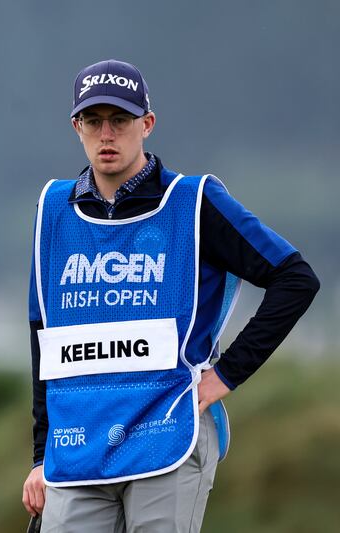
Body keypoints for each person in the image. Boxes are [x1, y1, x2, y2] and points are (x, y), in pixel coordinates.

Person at [21, 59, 319, 532]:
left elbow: (295, 279)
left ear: (147, 124)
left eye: (120, 120)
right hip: (77, 447)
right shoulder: (53, 209)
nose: (107, 135)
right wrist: (40, 455)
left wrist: (225, 376)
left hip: (168, 434)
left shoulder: (193, 201)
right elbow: (46, 341)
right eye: (93, 121)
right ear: (76, 126)